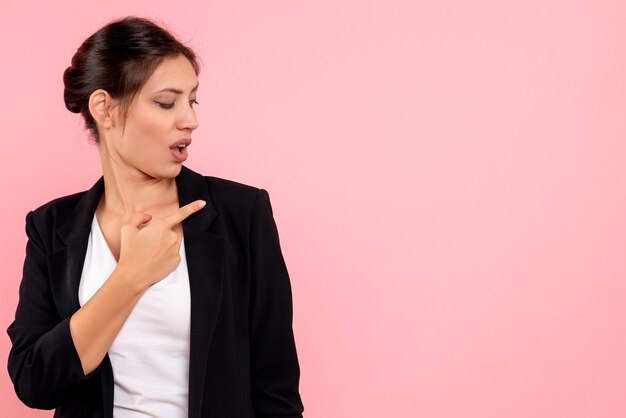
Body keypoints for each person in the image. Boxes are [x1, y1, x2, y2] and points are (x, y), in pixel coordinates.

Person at [6, 16, 304, 418]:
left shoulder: (241, 214)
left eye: (192, 100)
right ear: (104, 109)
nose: (190, 120)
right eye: (166, 102)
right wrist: (131, 277)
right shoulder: (51, 227)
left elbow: (276, 391)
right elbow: (34, 383)